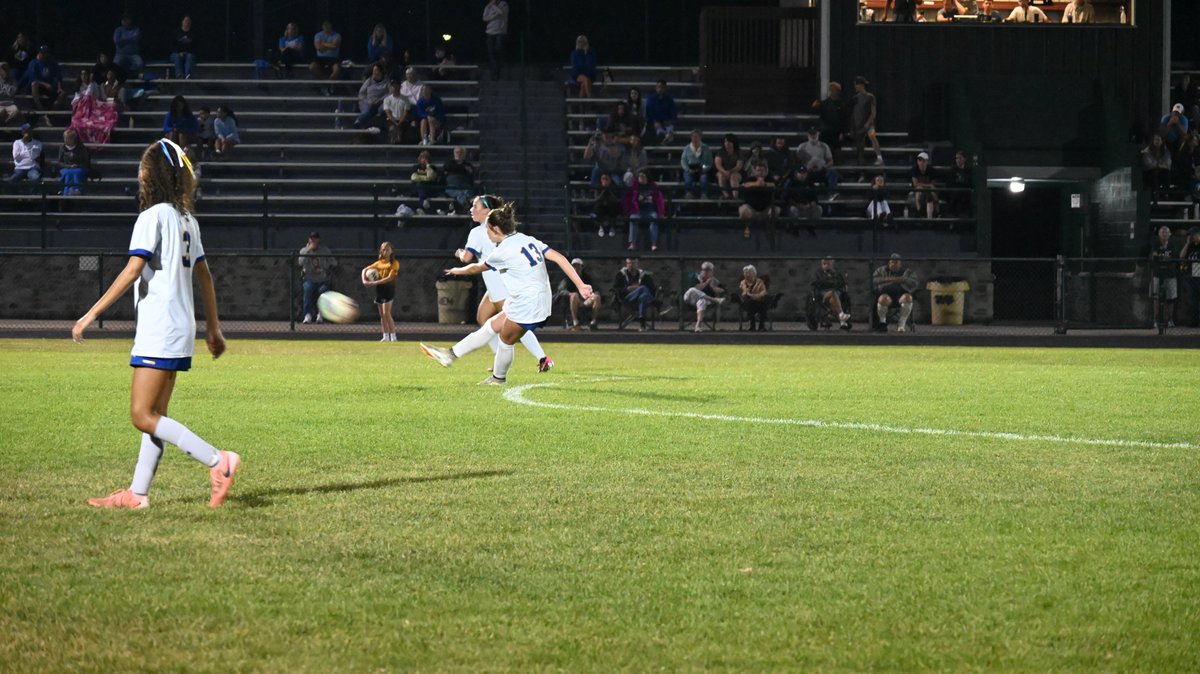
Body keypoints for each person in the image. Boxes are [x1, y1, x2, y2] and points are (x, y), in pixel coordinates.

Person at [71, 138, 239, 510]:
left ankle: (218, 460)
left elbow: (133, 270)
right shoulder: (187, 219)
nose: (138, 172)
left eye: (142, 166)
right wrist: (213, 328)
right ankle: (137, 493)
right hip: (181, 328)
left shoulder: (151, 217)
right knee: (155, 416)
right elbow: (206, 277)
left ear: (152, 175)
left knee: (141, 415)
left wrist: (90, 314)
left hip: (160, 327)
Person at [423, 204, 588, 384]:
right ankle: (451, 354)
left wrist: (459, 270)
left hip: (528, 303)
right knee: (491, 325)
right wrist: (580, 285)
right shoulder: (527, 239)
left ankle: (498, 378)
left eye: (487, 229)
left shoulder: (501, 252)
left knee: (505, 339)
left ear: (495, 229)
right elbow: (559, 257)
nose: (486, 233)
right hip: (534, 298)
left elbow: (477, 268)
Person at [453, 195, 554, 372]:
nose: (472, 210)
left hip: (500, 282)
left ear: (487, 211)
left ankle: (541, 358)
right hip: (496, 281)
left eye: (475, 206)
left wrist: (460, 254)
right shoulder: (501, 229)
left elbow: (468, 259)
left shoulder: (478, 231)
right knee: (483, 318)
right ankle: (498, 359)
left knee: (513, 323)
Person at [362, 241, 400, 341]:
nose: (385, 251)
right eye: (383, 249)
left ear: (392, 251)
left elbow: (390, 278)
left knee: (387, 313)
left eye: (387, 249)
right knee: (382, 315)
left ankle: (393, 336)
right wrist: (364, 280)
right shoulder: (379, 263)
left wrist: (373, 283)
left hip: (389, 290)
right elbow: (365, 270)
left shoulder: (394, 263)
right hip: (380, 290)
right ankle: (385, 336)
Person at [69, 68, 118, 145]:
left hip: (94, 108)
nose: (84, 76)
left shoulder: (94, 85)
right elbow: (77, 99)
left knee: (110, 107)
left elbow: (100, 97)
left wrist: (90, 84)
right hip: (82, 109)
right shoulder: (79, 85)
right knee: (86, 99)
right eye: (82, 74)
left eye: (85, 74)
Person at [873, 253, 919, 332]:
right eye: (892, 262)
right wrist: (888, 279)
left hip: (901, 296)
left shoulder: (907, 272)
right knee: (882, 298)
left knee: (908, 297)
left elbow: (914, 283)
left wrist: (901, 280)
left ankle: (901, 324)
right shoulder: (881, 270)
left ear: (900, 264)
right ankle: (882, 323)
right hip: (886, 295)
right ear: (889, 263)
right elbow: (873, 280)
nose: (894, 264)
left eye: (896, 262)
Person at [299, 231, 337, 324]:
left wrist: (326, 266)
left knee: (323, 291)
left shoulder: (324, 250)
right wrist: (308, 250)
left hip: (322, 279)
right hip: (309, 279)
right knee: (308, 290)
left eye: (315, 239)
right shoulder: (304, 250)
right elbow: (300, 262)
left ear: (318, 240)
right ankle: (307, 315)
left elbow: (334, 262)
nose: (313, 241)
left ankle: (321, 314)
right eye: (312, 239)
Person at [622, 170, 665, 252]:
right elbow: (627, 199)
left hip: (650, 209)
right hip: (637, 210)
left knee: (654, 218)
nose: (641, 178)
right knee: (633, 219)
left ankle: (654, 244)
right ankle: (632, 243)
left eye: (643, 176)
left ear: (647, 177)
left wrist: (661, 213)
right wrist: (627, 212)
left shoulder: (653, 186)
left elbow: (660, 201)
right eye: (640, 176)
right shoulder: (633, 186)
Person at [612, 257, 657, 331]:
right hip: (627, 298)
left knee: (643, 296)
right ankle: (657, 305)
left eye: (633, 263)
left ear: (637, 264)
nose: (631, 265)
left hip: (642, 299)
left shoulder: (644, 275)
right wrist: (628, 289)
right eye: (629, 263)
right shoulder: (620, 275)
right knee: (643, 288)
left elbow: (652, 288)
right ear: (626, 264)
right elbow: (616, 288)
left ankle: (642, 324)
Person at [850, 75, 883, 169]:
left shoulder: (870, 97)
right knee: (859, 146)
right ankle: (861, 170)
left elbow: (873, 113)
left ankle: (879, 158)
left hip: (868, 124)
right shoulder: (855, 98)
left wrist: (868, 123)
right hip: (858, 125)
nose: (855, 87)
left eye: (856, 85)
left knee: (872, 135)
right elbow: (853, 114)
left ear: (860, 85)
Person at [683, 261, 726, 332]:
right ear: (701, 270)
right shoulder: (695, 276)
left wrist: (712, 287)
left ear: (712, 271)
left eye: (709, 270)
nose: (706, 272)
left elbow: (722, 290)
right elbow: (696, 288)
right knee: (692, 289)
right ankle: (715, 300)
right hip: (690, 299)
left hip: (704, 302)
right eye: (705, 270)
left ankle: (698, 326)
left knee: (702, 301)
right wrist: (706, 283)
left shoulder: (714, 280)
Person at [812, 257, 852, 330]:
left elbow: (842, 284)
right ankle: (842, 317)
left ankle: (842, 320)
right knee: (832, 293)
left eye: (828, 264)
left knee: (834, 298)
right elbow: (815, 283)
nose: (826, 265)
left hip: (837, 296)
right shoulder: (818, 273)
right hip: (823, 295)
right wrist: (830, 283)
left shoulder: (837, 274)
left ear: (832, 264)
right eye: (824, 264)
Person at [561, 257, 601, 330]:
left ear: (582, 267)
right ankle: (575, 322)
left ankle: (593, 322)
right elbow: (562, 290)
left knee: (596, 297)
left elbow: (595, 289)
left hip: (586, 300)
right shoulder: (567, 278)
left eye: (578, 266)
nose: (576, 268)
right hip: (573, 301)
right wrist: (570, 294)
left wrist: (592, 295)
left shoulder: (587, 277)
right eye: (574, 266)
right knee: (574, 295)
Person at [738, 164, 777, 239]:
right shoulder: (749, 179)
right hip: (751, 208)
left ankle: (769, 229)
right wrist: (756, 184)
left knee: (775, 210)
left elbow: (774, 185)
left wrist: (764, 184)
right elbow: (745, 185)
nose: (760, 172)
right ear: (755, 171)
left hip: (766, 208)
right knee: (743, 210)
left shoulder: (770, 179)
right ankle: (747, 228)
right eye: (758, 170)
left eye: (762, 170)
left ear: (766, 172)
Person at [1150, 225, 1177, 329]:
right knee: (1156, 297)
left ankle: (1170, 319)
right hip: (1157, 274)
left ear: (1169, 234)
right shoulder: (1155, 244)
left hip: (1170, 275)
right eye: (1162, 232)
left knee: (1171, 298)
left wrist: (1161, 257)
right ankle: (1155, 320)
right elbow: (1154, 256)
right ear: (1159, 234)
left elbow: (1174, 257)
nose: (1164, 234)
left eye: (1166, 232)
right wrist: (1164, 257)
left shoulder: (1173, 244)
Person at [22, 46, 63, 115]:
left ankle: (51, 113)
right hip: (37, 87)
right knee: (34, 84)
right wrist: (45, 84)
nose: (44, 54)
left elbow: (59, 76)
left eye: (45, 52)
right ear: (38, 53)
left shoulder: (52, 63)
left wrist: (59, 87)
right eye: (42, 52)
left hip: (49, 87)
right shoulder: (33, 63)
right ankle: (40, 108)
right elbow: (33, 78)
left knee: (63, 94)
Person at [812, 82, 846, 165]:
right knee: (824, 151)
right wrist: (814, 107)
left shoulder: (842, 105)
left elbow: (844, 120)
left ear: (837, 92)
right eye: (830, 90)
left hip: (836, 133)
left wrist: (842, 132)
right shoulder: (824, 103)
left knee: (837, 153)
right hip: (825, 132)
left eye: (833, 90)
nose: (830, 92)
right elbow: (815, 112)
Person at [680, 129, 713, 198]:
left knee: (704, 179)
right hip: (690, 168)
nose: (695, 139)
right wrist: (688, 169)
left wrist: (704, 169)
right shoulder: (687, 148)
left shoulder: (706, 148)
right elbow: (683, 161)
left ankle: (704, 194)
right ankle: (688, 193)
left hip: (702, 169)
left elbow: (709, 162)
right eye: (693, 137)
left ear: (700, 137)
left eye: (696, 137)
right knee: (688, 179)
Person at [353, 64, 388, 129]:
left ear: (381, 71)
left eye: (376, 70)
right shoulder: (369, 81)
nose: (374, 72)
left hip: (381, 102)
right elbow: (361, 93)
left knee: (383, 109)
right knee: (369, 109)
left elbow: (389, 93)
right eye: (373, 70)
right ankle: (359, 121)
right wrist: (368, 101)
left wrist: (380, 100)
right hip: (367, 101)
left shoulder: (387, 81)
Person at [57, 128, 89, 195]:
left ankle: (77, 190)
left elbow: (86, 161)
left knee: (77, 172)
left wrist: (78, 166)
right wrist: (69, 166)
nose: (65, 140)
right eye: (65, 138)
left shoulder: (81, 148)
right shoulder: (62, 148)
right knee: (67, 173)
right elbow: (60, 162)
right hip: (66, 167)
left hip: (79, 167)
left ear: (73, 139)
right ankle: (66, 191)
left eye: (67, 138)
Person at [443, 146, 476, 212]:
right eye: (457, 152)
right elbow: (449, 168)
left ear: (464, 154)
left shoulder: (468, 164)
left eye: (460, 153)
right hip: (452, 188)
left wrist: (458, 168)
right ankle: (466, 206)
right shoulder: (449, 163)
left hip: (465, 187)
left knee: (467, 193)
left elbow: (471, 174)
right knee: (459, 194)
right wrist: (462, 168)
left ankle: (465, 206)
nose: (458, 154)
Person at [644, 79, 678, 144]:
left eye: (662, 87)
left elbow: (673, 112)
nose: (660, 89)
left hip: (667, 122)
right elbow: (649, 113)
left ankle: (667, 140)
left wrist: (672, 121)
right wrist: (655, 122)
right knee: (659, 132)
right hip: (656, 122)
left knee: (670, 129)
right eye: (658, 87)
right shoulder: (651, 99)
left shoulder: (670, 99)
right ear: (656, 88)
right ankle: (663, 140)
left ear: (665, 88)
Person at [738, 265, 769, 331]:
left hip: (758, 301)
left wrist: (757, 296)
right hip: (747, 302)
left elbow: (764, 291)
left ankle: (761, 326)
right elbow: (745, 292)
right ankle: (752, 326)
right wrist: (750, 294)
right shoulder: (743, 282)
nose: (745, 274)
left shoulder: (759, 282)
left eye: (747, 272)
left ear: (753, 273)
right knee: (750, 303)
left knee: (763, 303)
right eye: (745, 273)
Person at [1180, 226, 1200, 327]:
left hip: (1198, 274)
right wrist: (1187, 243)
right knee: (1192, 299)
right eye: (1190, 235)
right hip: (1190, 276)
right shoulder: (1191, 246)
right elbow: (1181, 256)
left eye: (1193, 235)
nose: (1191, 237)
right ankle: (1194, 321)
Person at [482, 0, 509, 75]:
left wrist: (493, 6)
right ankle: (494, 69)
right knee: (491, 52)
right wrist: (494, 15)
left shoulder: (504, 4)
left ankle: (500, 66)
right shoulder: (488, 6)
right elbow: (484, 18)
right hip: (489, 32)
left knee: (498, 49)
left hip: (500, 31)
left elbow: (501, 12)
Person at [715, 133, 744, 199]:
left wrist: (730, 172)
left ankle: (735, 197)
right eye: (725, 141)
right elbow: (718, 165)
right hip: (722, 171)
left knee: (733, 176)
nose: (727, 143)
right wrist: (725, 172)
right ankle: (726, 196)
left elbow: (739, 166)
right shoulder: (720, 152)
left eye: (729, 141)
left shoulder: (739, 152)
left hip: (735, 172)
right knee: (721, 175)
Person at [910, 151, 939, 219]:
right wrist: (928, 185)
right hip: (919, 190)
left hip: (928, 190)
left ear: (926, 161)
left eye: (923, 161)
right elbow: (915, 184)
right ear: (917, 161)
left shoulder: (931, 170)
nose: (921, 163)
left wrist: (929, 186)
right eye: (920, 160)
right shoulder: (914, 169)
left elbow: (933, 184)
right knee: (918, 189)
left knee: (933, 193)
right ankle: (919, 212)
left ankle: (938, 213)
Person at [593, 172, 622, 237]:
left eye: (606, 179)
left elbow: (616, 200)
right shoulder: (598, 186)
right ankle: (601, 227)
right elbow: (596, 199)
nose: (605, 181)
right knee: (598, 206)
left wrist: (609, 190)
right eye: (603, 179)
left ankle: (612, 227)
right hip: (602, 207)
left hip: (611, 207)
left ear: (610, 179)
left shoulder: (614, 186)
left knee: (614, 206)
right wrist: (603, 191)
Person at [946, 149, 972, 216]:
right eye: (957, 158)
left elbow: (969, 183)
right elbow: (950, 184)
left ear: (964, 159)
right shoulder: (953, 170)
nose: (958, 160)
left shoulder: (968, 171)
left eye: (960, 158)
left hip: (964, 194)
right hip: (954, 194)